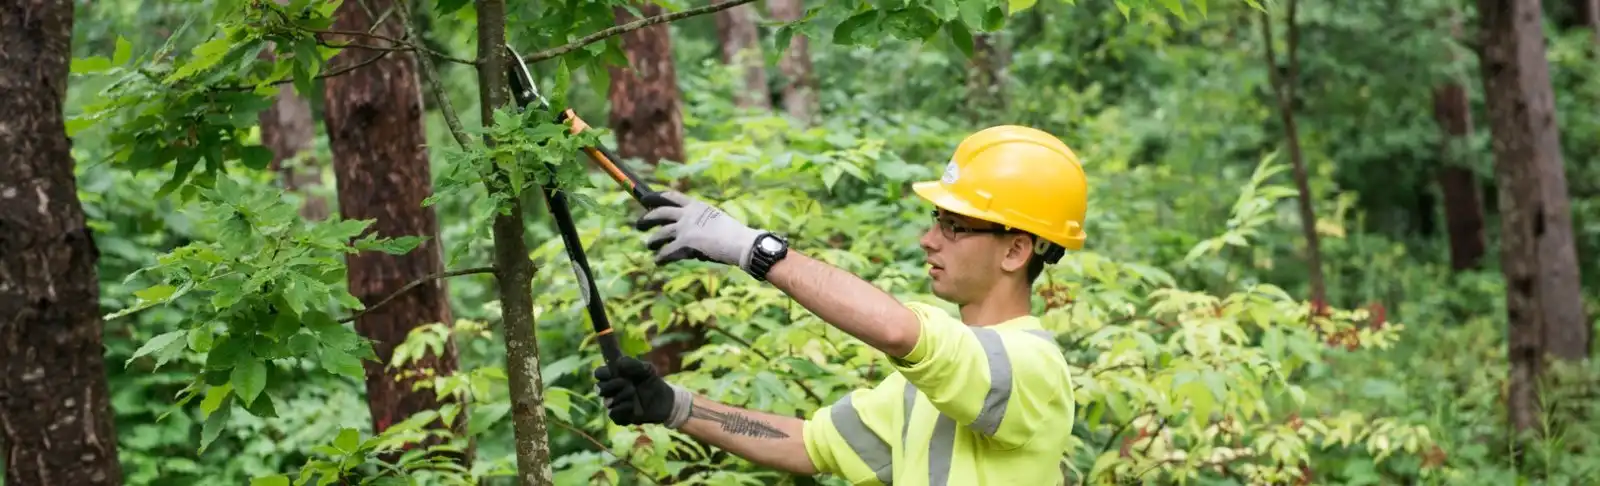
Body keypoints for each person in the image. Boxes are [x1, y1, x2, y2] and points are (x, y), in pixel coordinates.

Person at [593, 125, 1087, 485]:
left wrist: (753, 248)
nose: (928, 239)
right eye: (936, 219)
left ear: (1017, 250)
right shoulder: (926, 391)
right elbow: (810, 445)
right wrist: (675, 406)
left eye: (954, 226)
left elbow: (899, 331)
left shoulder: (1031, 366)